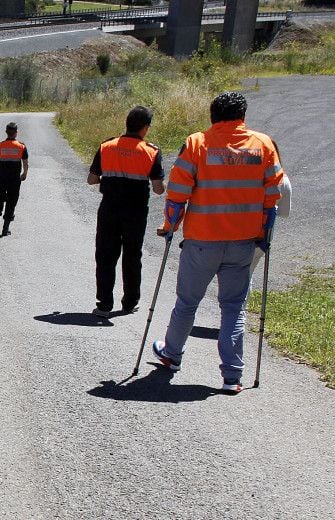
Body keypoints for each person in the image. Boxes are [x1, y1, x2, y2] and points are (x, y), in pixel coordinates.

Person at [152, 92, 285, 395]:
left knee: (187, 303)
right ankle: (232, 376)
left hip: (202, 241)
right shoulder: (263, 145)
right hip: (242, 243)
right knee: (234, 307)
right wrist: (263, 237)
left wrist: (170, 227)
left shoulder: (198, 143)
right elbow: (272, 199)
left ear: (213, 115)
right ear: (243, 116)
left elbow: (177, 195)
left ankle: (171, 356)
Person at [88, 106, 166, 318]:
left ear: (127, 123)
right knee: (132, 256)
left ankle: (104, 304)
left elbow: (91, 179)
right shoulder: (151, 151)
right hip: (136, 211)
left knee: (105, 255)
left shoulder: (107, 146)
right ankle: (130, 302)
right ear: (145, 128)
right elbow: (159, 189)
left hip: (109, 209)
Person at [0, 122, 29, 236]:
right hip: (15, 179)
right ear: (16, 133)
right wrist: (25, 173)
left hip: (2, 178)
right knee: (11, 202)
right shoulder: (21, 146)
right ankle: (5, 228)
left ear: (6, 132)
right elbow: (25, 162)